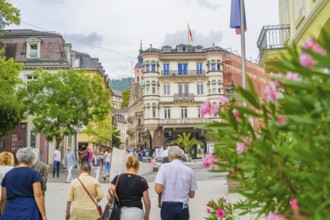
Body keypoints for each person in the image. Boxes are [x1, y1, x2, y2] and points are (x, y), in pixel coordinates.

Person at [0, 147, 47, 220]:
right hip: (30, 209)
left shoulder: (8, 174)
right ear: (31, 159)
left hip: (11, 209)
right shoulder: (34, 174)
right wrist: (44, 215)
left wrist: (3, 213)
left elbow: (3, 198)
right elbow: (38, 194)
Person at [154, 146, 197, 220]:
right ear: (180, 156)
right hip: (183, 207)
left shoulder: (164, 167)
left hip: (167, 207)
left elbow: (158, 189)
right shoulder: (189, 171)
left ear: (170, 156)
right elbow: (192, 195)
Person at [108, 155, 150, 220]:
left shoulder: (118, 178)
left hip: (121, 213)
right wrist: (147, 214)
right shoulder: (142, 180)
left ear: (126, 166)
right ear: (137, 166)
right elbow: (147, 202)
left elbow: (109, 196)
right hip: (137, 213)